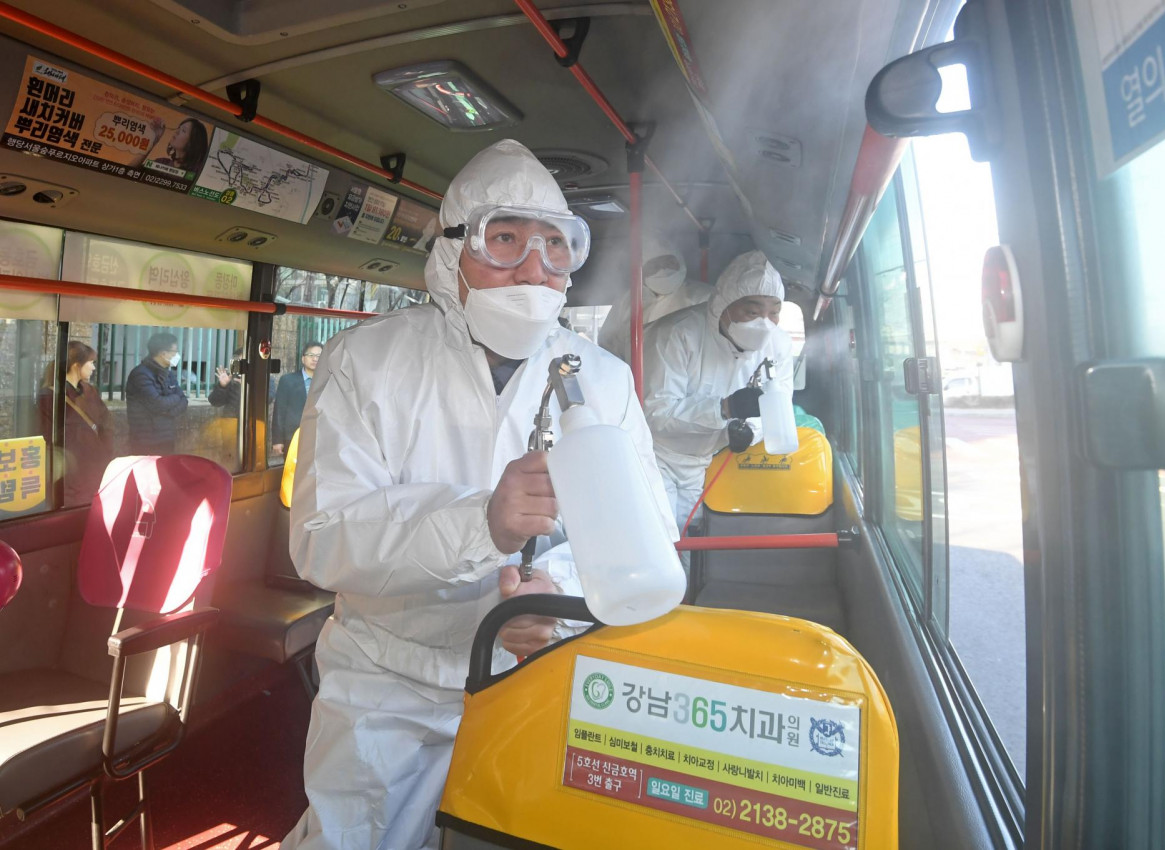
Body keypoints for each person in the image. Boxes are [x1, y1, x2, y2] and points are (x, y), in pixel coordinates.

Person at [281, 138, 675, 850]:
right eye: (504, 241)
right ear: (451, 253)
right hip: (384, 688)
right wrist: (478, 526)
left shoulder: (603, 377)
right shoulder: (364, 363)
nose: (533, 268)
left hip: (536, 675)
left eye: (555, 247)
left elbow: (645, 530)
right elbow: (322, 537)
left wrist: (550, 595)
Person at [643, 249, 793, 532]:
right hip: (656, 457)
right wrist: (724, 409)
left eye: (774, 312)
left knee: (692, 544)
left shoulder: (779, 345)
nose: (764, 322)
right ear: (723, 304)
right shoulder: (676, 335)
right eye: (752, 311)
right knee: (660, 540)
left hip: (709, 460)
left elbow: (779, 407)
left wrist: (750, 430)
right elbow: (655, 412)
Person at [597, 230, 713, 365]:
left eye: (669, 262)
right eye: (655, 265)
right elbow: (608, 345)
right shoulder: (627, 301)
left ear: (680, 261)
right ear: (643, 270)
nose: (663, 269)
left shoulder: (703, 296)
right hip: (633, 379)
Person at [37, 341, 114, 506]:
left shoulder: (89, 391)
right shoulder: (49, 397)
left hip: (96, 466)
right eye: (91, 363)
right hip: (72, 474)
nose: (94, 368)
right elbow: (48, 435)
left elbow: (104, 422)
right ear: (76, 365)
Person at [125, 332, 188, 455]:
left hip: (167, 437)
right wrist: (175, 398)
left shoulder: (168, 374)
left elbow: (184, 401)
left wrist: (168, 413)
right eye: (174, 352)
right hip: (146, 441)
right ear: (163, 353)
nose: (177, 355)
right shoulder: (140, 374)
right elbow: (157, 404)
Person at [271, 342, 321, 456]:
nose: (315, 359)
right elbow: (279, 411)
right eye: (311, 355)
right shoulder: (288, 380)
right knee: (293, 472)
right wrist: (277, 440)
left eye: (319, 356)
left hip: (320, 438)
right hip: (293, 438)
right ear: (303, 359)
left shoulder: (328, 382)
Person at [133, 116, 210, 176]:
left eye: (183, 130)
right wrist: (153, 139)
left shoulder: (199, 170)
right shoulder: (161, 163)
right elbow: (129, 172)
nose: (177, 132)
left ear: (193, 142)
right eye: (178, 128)